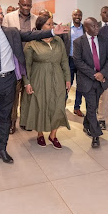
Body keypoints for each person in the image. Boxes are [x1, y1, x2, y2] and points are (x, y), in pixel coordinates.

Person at [0, 3, 56, 163]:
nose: (0, 16)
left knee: (6, 115)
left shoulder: (11, 32)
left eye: (1, 13)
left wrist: (52, 31)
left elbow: (31, 35)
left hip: (8, 79)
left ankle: (2, 149)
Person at [21, 15, 71, 148]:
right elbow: (26, 65)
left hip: (57, 77)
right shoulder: (32, 43)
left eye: (52, 24)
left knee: (58, 105)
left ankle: (53, 135)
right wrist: (27, 82)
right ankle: (40, 134)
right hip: (39, 78)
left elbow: (64, 60)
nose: (52, 27)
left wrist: (68, 79)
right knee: (40, 105)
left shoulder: (58, 41)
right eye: (49, 24)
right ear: (40, 27)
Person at [72, 17, 108, 148]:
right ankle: (96, 135)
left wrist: (102, 74)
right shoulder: (78, 42)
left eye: (97, 26)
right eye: (94, 26)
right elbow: (78, 62)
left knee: (93, 106)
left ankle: (86, 124)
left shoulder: (104, 40)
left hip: (101, 81)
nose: (97, 28)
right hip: (87, 80)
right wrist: (94, 74)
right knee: (91, 106)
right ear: (86, 28)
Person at [3, 0, 36, 134]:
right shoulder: (9, 18)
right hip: (14, 62)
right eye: (24, 5)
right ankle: (12, 122)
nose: (26, 8)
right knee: (14, 95)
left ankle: (25, 121)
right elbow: (4, 38)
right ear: (19, 4)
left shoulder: (35, 19)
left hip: (31, 62)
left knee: (28, 94)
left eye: (29, 5)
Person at [68, 9, 85, 117]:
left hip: (81, 61)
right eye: (75, 14)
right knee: (67, 84)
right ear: (72, 15)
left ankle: (77, 107)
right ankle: (61, 107)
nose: (77, 16)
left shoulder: (85, 28)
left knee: (80, 85)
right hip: (69, 60)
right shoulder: (67, 27)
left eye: (79, 15)